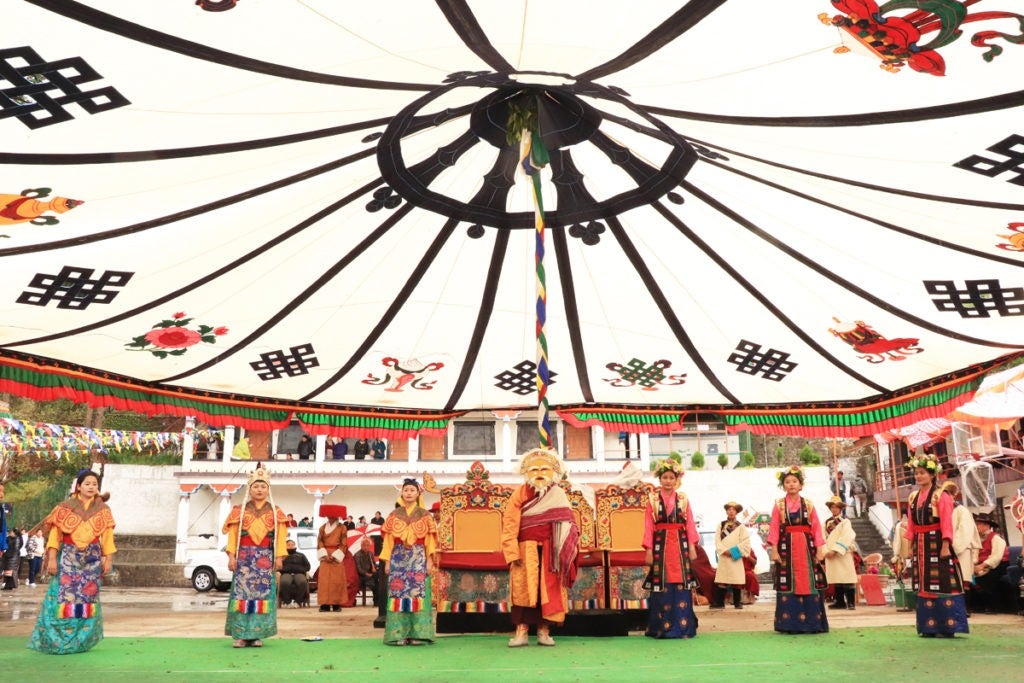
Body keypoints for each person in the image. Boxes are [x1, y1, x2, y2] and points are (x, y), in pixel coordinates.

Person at [28, 469, 116, 654]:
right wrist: (52, 558)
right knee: (63, 599)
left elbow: (108, 538)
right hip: (67, 557)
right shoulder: (64, 508)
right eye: (87, 484)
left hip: (92, 559)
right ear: (79, 486)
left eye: (95, 484)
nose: (91, 487)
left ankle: (79, 641)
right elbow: (55, 536)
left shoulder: (103, 510)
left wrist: (108, 559)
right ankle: (59, 639)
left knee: (87, 599)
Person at [501, 448, 579, 647]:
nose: (539, 474)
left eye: (544, 469)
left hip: (551, 551)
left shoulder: (558, 493)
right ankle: (521, 633)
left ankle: (544, 631)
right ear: (526, 472)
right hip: (525, 550)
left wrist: (564, 548)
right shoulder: (519, 493)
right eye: (534, 470)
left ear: (553, 472)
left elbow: (568, 521)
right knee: (524, 591)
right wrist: (511, 552)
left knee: (548, 591)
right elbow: (509, 524)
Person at [222, 464, 288, 648]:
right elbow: (233, 536)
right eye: (256, 486)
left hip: (265, 559)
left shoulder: (276, 512)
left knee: (262, 598)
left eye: (263, 486)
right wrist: (231, 556)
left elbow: (280, 537)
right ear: (249, 489)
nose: (259, 490)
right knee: (241, 597)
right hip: (244, 558)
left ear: (268, 489)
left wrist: (279, 557)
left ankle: (257, 634)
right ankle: (241, 635)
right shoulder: (239, 510)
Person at [905, 454, 968, 637]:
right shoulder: (913, 497)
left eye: (922, 473)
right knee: (923, 582)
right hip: (920, 543)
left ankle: (948, 627)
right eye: (916, 473)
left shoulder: (942, 495)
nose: (918, 476)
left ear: (932, 474)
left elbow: (946, 521)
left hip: (937, 541)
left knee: (943, 581)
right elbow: (911, 525)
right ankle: (928, 627)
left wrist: (946, 544)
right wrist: (909, 546)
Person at [766, 465, 829, 634]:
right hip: (786, 548)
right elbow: (774, 527)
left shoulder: (808, 504)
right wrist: (774, 550)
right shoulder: (778, 505)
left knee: (809, 581)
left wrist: (820, 549)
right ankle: (789, 624)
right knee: (789, 582)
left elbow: (816, 528)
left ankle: (813, 623)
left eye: (794, 481)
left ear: (801, 485)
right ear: (783, 485)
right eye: (787, 482)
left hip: (807, 548)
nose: (791, 484)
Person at [640, 458, 699, 638]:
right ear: (659, 479)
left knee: (681, 582)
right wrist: (649, 549)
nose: (668, 481)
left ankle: (683, 627)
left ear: (676, 480)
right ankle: (661, 627)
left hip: (680, 545)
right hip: (660, 545)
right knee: (662, 583)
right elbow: (649, 526)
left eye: (671, 478)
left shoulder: (683, 499)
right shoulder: (652, 500)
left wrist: (692, 546)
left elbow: (689, 523)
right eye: (665, 477)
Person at [380, 478, 439, 645]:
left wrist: (429, 561)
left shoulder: (425, 515)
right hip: (398, 559)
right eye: (406, 490)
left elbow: (430, 541)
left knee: (417, 594)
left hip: (418, 558)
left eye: (412, 490)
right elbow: (388, 541)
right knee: (397, 594)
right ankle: (398, 634)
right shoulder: (394, 515)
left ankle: (418, 634)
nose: (409, 493)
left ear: (418, 493)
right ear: (402, 493)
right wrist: (387, 562)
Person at [940, 481, 981, 590]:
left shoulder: (961, 510)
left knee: (962, 581)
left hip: (961, 549)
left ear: (953, 495)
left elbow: (965, 531)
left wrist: (951, 547)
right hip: (946, 549)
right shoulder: (942, 511)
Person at [712, 501, 750, 610]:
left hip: (735, 557)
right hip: (724, 556)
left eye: (733, 510)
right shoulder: (721, 525)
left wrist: (732, 552)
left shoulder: (741, 527)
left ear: (736, 512)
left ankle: (737, 603)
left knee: (736, 580)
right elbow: (717, 540)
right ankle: (720, 603)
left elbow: (745, 542)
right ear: (726, 511)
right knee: (722, 579)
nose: (731, 511)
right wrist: (724, 551)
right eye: (729, 509)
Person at [823, 495, 858, 610]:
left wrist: (835, 550)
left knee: (847, 577)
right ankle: (840, 602)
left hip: (842, 553)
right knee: (836, 578)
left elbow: (846, 536)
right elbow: (822, 537)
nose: (834, 509)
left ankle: (851, 602)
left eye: (836, 507)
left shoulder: (845, 522)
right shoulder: (826, 523)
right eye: (832, 507)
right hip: (830, 554)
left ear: (840, 508)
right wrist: (825, 551)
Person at [972, 513, 1009, 614]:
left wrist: (982, 566)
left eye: (978, 524)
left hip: (999, 565)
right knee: (970, 578)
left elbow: (996, 557)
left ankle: (994, 607)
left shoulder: (996, 538)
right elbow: (975, 555)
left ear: (986, 526)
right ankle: (978, 606)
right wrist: (974, 566)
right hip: (983, 565)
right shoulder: (977, 539)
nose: (976, 526)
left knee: (987, 578)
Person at [316, 504, 349, 613]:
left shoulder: (342, 528)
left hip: (336, 556)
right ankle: (324, 604)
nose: (330, 518)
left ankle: (336, 604)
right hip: (325, 556)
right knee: (324, 581)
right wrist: (324, 554)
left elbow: (344, 543)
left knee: (336, 581)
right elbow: (319, 541)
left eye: (333, 516)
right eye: (329, 516)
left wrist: (335, 556)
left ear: (337, 517)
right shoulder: (322, 528)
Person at [278, 539, 311, 608]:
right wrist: (285, 569)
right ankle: (287, 602)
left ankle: (298, 601)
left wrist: (300, 569)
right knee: (284, 582)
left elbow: (308, 566)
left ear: (295, 546)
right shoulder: (282, 556)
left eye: (292, 545)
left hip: (299, 573)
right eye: (289, 545)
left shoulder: (301, 555)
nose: (291, 546)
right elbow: (278, 567)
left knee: (302, 582)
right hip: (286, 573)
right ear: (285, 546)